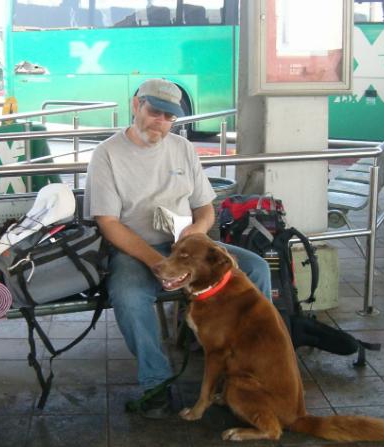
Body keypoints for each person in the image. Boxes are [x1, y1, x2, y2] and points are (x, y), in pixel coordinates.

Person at [83, 78, 271, 418]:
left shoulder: (182, 148)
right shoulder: (107, 154)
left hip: (187, 244)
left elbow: (205, 209)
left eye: (169, 117)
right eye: (155, 112)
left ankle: (256, 364)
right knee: (129, 295)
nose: (162, 123)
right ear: (135, 105)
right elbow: (108, 222)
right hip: (136, 247)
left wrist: (194, 236)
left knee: (256, 268)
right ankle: (155, 382)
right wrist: (158, 262)